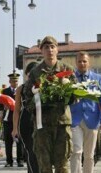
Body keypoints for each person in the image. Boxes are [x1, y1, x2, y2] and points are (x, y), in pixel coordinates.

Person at [23, 36, 75, 173]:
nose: (50, 50)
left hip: (62, 124)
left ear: (57, 50)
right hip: (42, 126)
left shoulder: (67, 69)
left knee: (62, 165)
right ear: (41, 51)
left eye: (52, 47)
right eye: (46, 47)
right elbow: (27, 100)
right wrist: (40, 100)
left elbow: (76, 95)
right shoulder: (35, 73)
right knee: (44, 166)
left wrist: (67, 94)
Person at [70, 51, 101, 173]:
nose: (82, 63)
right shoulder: (70, 78)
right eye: (79, 61)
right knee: (76, 151)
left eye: (84, 61)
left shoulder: (97, 78)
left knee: (89, 155)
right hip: (74, 120)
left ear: (89, 63)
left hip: (92, 120)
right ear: (76, 62)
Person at [12, 62, 39, 173]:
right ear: (27, 74)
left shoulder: (45, 87)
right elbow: (17, 110)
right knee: (30, 152)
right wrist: (14, 129)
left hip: (42, 122)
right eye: (30, 73)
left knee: (41, 152)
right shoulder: (20, 89)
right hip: (26, 123)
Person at [0, 72, 24, 167]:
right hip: (8, 119)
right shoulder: (5, 91)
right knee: (8, 141)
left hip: (19, 118)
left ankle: (20, 160)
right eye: (13, 81)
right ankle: (9, 161)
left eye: (16, 81)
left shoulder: (21, 90)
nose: (15, 82)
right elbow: (0, 104)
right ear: (9, 81)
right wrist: (2, 111)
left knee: (19, 141)